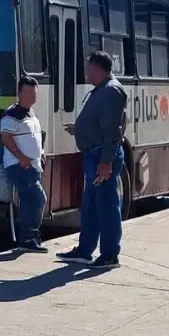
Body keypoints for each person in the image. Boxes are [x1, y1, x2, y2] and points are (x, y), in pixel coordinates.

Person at [57, 51, 128, 269]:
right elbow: (99, 124)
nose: (86, 72)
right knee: (90, 206)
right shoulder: (101, 90)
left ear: (98, 68)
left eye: (88, 68)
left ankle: (109, 255)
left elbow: (113, 132)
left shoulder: (111, 91)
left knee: (106, 206)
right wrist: (79, 130)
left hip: (101, 158)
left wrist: (105, 162)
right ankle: (84, 250)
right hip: (93, 155)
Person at [0, 76, 47, 253]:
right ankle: (28, 237)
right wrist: (21, 157)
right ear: (19, 93)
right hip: (19, 166)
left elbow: (35, 136)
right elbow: (6, 137)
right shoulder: (12, 114)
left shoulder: (31, 112)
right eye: (27, 93)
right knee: (38, 198)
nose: (31, 97)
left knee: (29, 201)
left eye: (34, 93)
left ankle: (28, 238)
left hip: (32, 166)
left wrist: (41, 153)